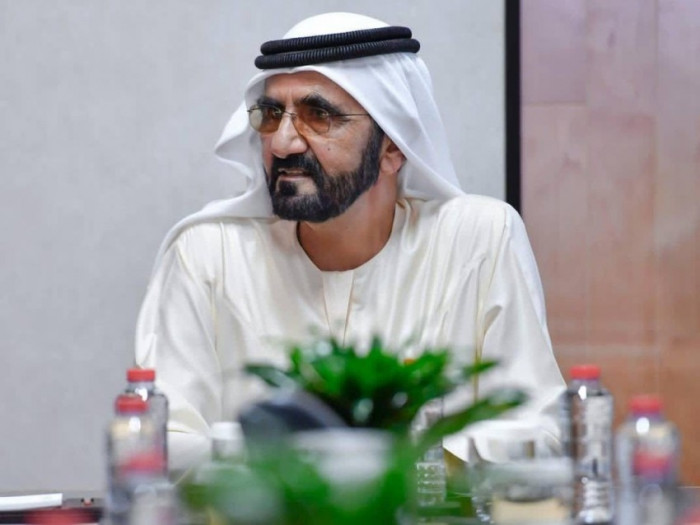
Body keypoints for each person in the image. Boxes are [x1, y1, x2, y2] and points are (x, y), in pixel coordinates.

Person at [135, 12, 565, 476]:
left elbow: (539, 430)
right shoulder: (207, 255)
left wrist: (400, 468)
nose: (282, 143)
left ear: (392, 148)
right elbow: (161, 443)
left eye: (318, 115)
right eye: (271, 115)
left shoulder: (478, 239)